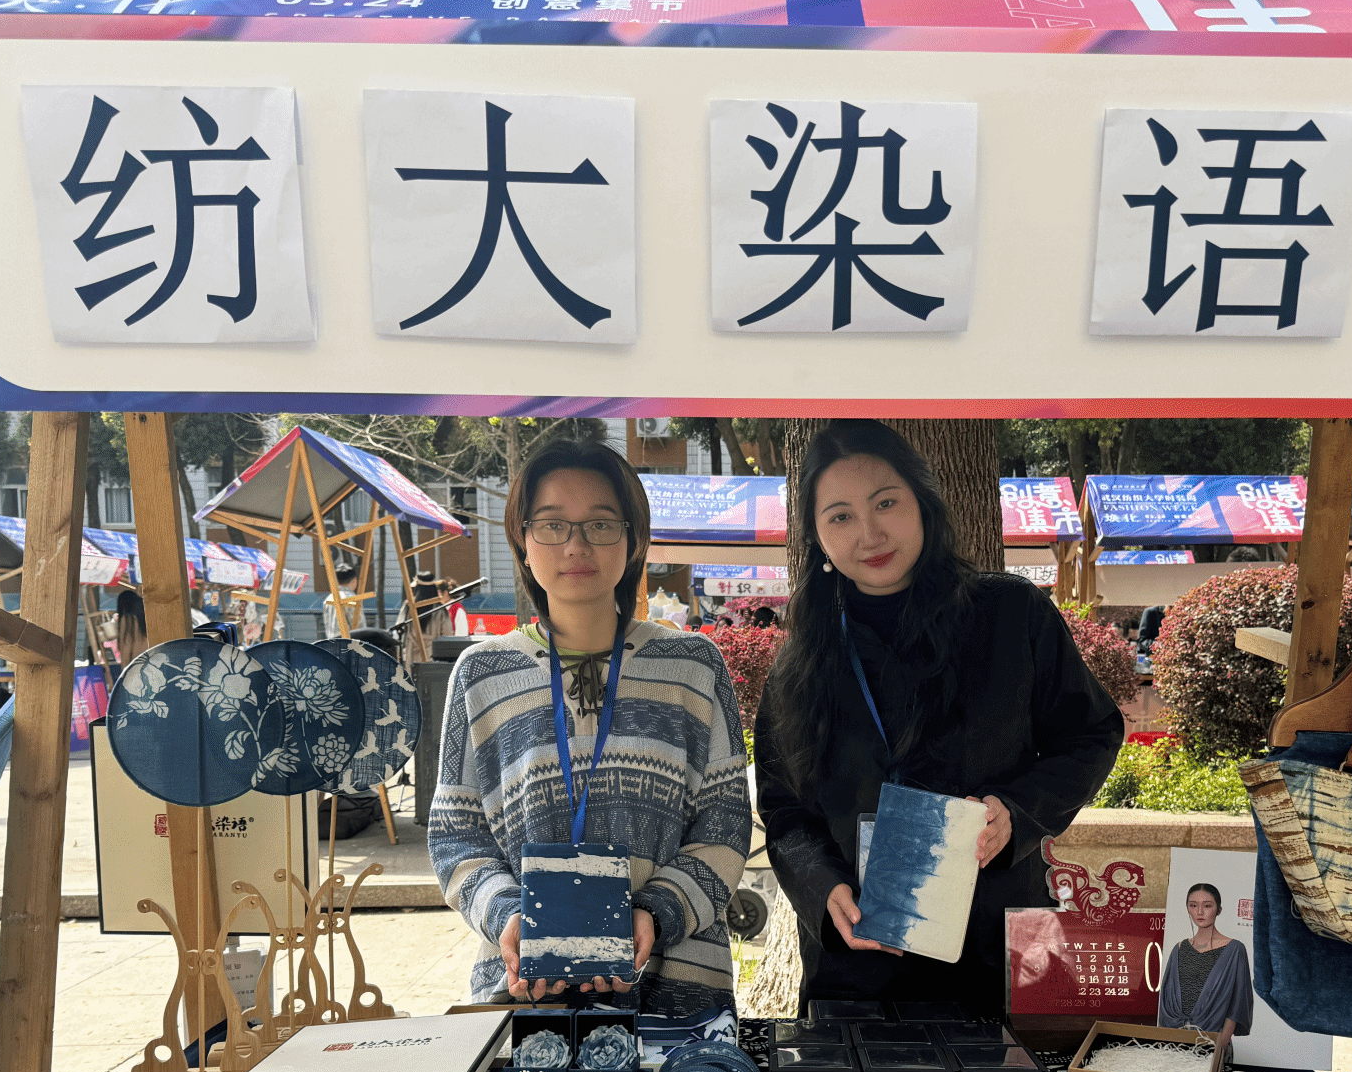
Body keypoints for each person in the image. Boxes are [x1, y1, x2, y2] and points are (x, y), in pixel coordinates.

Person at [754, 420, 1125, 1017]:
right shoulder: (803, 660)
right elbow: (784, 811)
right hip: (859, 964)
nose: (869, 533)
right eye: (840, 516)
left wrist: (1017, 811)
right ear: (817, 537)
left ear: (923, 501)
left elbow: (1092, 733)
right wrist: (823, 889)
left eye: (886, 503)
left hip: (997, 952)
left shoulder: (1011, 615)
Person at [428, 440, 751, 1016]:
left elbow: (725, 824)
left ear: (634, 539)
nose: (576, 545)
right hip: (525, 989)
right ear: (523, 540)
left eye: (601, 524)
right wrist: (509, 916)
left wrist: (656, 911)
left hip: (677, 989)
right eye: (552, 525)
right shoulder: (482, 674)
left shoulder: (692, 667)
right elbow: (457, 834)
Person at [1156, 882, 1253, 1034]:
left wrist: (1221, 1042)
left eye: (1207, 906)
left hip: (1213, 1038)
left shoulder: (1234, 949)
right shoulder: (1179, 949)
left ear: (1219, 909)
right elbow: (1166, 1002)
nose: (1200, 912)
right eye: (1193, 905)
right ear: (1187, 908)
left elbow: (1238, 1004)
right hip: (1174, 1037)